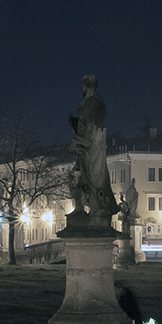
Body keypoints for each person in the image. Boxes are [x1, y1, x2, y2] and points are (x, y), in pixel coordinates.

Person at [67, 75, 120, 225]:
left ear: (88, 86)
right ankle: (79, 208)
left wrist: (76, 142)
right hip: (84, 149)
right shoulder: (90, 103)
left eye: (83, 86)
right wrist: (75, 124)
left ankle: (97, 208)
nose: (82, 89)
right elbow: (85, 126)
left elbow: (92, 132)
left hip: (91, 150)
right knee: (74, 178)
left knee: (91, 179)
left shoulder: (95, 103)